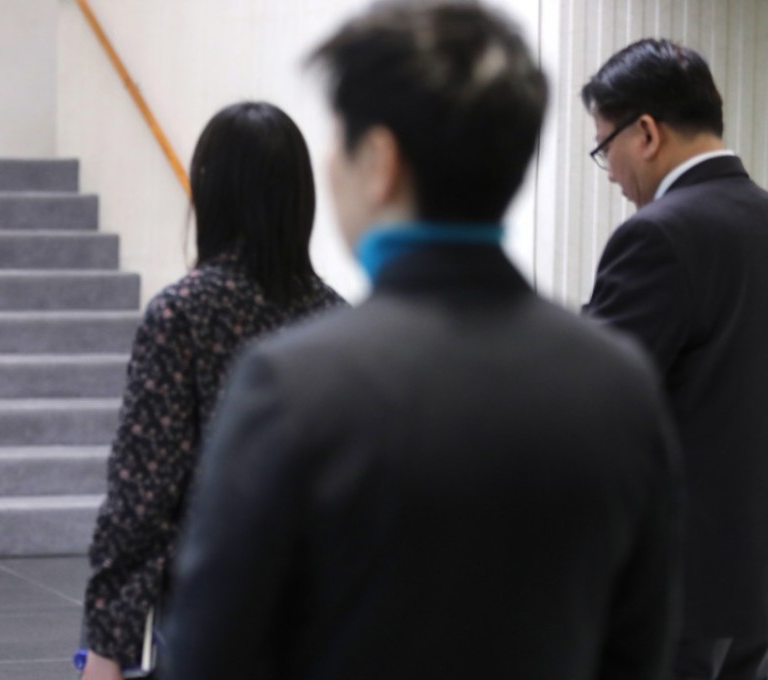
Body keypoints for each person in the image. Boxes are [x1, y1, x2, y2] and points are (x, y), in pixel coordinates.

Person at [162, 3, 683, 679]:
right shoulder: (618, 385)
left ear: (379, 161)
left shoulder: (293, 388)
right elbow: (637, 649)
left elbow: (210, 655)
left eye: (340, 141)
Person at [79, 100, 345, 680]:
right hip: (324, 609)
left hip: (216, 608)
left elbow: (141, 497)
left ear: (211, 194)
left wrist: (105, 646)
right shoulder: (338, 321)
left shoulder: (182, 314)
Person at [582, 39, 768, 680]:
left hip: (675, 588)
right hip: (752, 589)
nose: (609, 173)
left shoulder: (658, 234)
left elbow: (596, 399)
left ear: (647, 133)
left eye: (605, 147)